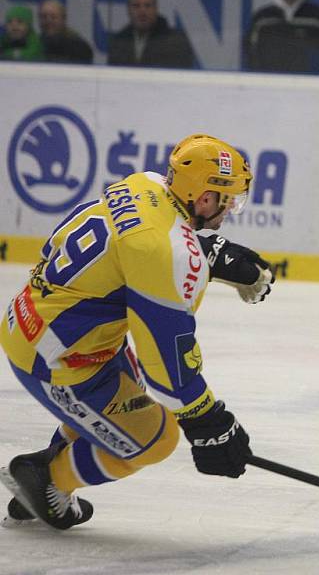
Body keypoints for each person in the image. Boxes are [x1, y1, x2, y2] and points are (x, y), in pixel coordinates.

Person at [0, 134, 276, 529]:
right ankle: (47, 479)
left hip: (47, 321)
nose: (228, 212)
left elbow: (145, 240)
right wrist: (208, 420)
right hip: (54, 355)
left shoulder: (145, 183)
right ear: (204, 198)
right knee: (155, 437)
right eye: (226, 201)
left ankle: (42, 478)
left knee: (125, 403)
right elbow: (166, 365)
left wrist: (211, 253)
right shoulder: (167, 255)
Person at [107, 0, 195, 68]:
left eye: (147, 5)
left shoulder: (176, 42)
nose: (142, 11)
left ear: (156, 9)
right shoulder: (118, 43)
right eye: (136, 6)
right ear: (128, 10)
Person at [38, 0, 93, 64]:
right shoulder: (35, 43)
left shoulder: (79, 47)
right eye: (44, 17)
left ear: (63, 19)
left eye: (53, 17)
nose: (48, 21)